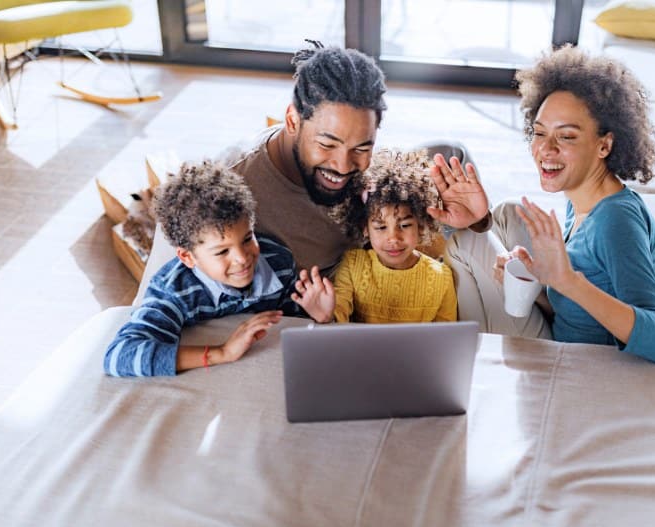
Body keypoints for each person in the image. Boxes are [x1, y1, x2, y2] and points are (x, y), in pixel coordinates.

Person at [440, 45, 655, 364]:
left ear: (604, 144)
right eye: (539, 133)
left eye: (566, 137)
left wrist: (565, 279)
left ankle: (461, 349)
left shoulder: (615, 222)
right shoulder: (585, 195)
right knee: (510, 213)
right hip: (566, 314)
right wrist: (538, 281)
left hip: (569, 354)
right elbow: (585, 287)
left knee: (466, 242)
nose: (545, 149)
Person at [225, 40, 493, 305]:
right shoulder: (234, 187)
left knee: (450, 154)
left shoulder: (363, 171)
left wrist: (475, 221)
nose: (343, 167)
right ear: (293, 121)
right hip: (339, 303)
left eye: (362, 146)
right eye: (327, 144)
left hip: (389, 255)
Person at [104, 160, 335, 377]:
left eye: (247, 239)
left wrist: (319, 318)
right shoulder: (173, 290)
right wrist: (222, 353)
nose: (242, 259)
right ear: (187, 257)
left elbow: (291, 324)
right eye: (222, 252)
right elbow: (119, 356)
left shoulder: (279, 262)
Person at [329, 148, 457, 323]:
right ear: (365, 228)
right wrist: (326, 312)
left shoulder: (441, 277)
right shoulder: (353, 264)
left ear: (420, 225)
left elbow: (447, 335)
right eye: (381, 227)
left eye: (404, 225)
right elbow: (338, 314)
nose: (394, 238)